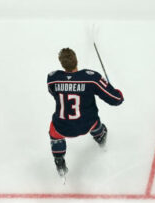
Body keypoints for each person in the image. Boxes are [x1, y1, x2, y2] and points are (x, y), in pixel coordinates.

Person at [47, 47, 124, 176]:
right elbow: (116, 100)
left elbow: (52, 92)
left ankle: (59, 161)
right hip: (86, 124)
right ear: (76, 60)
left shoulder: (53, 78)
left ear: (61, 63)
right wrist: (117, 94)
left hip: (63, 126)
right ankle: (100, 138)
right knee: (94, 121)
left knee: (54, 131)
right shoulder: (91, 78)